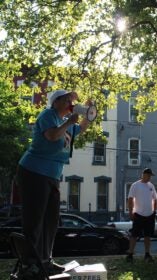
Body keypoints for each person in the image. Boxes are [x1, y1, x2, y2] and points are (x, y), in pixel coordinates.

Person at [16, 89, 91, 278]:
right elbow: (51, 136)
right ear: (56, 102)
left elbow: (80, 128)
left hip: (52, 175)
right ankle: (29, 265)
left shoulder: (67, 123)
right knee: (34, 221)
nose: (70, 102)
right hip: (33, 171)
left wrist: (90, 113)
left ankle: (45, 261)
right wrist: (68, 122)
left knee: (51, 221)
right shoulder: (48, 115)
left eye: (71, 100)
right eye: (67, 99)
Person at [125, 168, 157, 263]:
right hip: (138, 215)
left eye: (151, 176)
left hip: (150, 215)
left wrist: (154, 211)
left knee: (148, 236)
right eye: (149, 175)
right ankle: (130, 255)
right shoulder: (135, 185)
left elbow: (156, 199)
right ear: (143, 174)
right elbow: (130, 199)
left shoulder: (151, 186)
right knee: (134, 235)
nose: (150, 177)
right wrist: (131, 212)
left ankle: (147, 254)